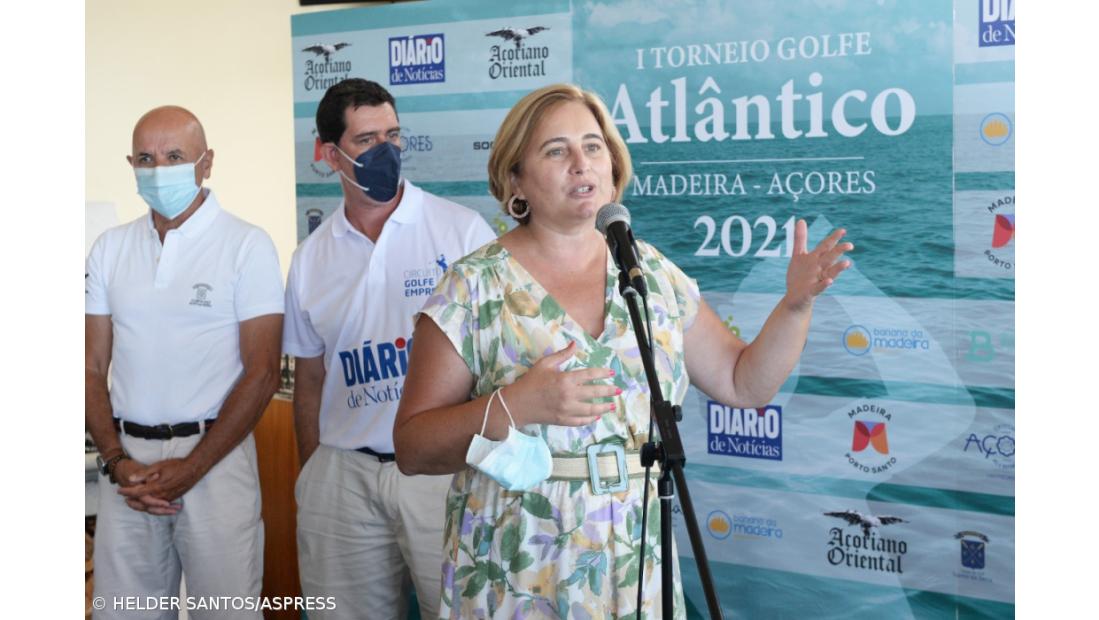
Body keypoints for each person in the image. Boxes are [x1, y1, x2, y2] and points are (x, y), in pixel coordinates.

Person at [393, 83, 854, 618]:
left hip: (635, 556)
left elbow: (743, 382)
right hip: (516, 560)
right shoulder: (473, 287)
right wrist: (517, 405)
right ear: (515, 178)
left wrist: (795, 306)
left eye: (593, 146)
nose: (580, 163)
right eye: (555, 150)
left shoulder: (650, 273)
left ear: (613, 164)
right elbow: (413, 446)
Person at [283, 78, 496, 619]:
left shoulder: (460, 231)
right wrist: (314, 473)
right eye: (366, 139)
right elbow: (309, 378)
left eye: (393, 135)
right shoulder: (311, 258)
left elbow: (498, 360)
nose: (386, 151)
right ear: (329, 155)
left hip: (442, 471)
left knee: (460, 610)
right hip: (345, 475)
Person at [85, 106, 285, 619]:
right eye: (146, 158)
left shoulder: (246, 245)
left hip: (215, 460)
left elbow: (262, 373)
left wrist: (193, 466)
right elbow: (89, 364)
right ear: (130, 163)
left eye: (174, 156)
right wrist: (115, 459)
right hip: (126, 466)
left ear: (206, 162)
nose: (158, 169)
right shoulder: (110, 249)